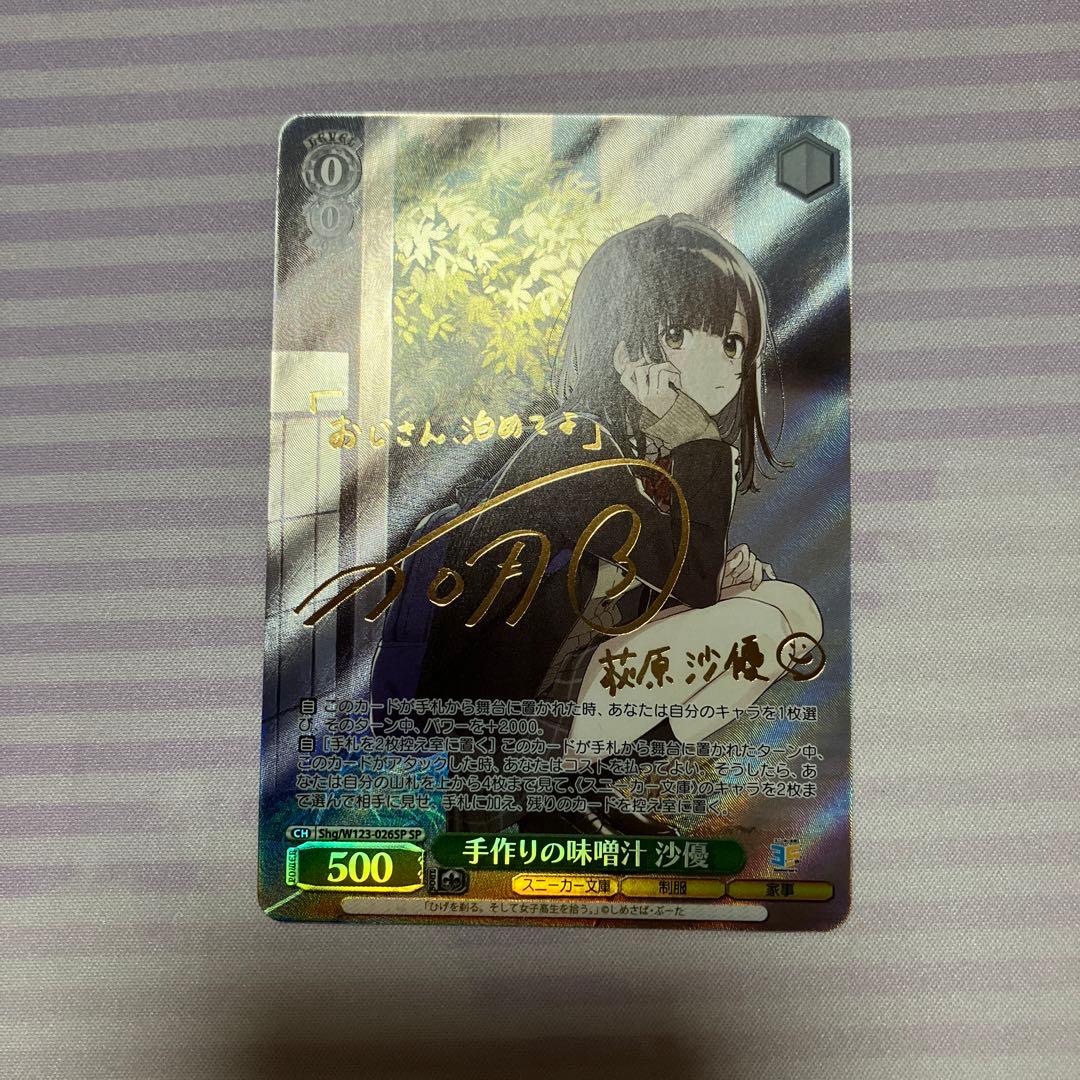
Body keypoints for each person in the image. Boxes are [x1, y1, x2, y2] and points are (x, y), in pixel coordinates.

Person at [411, 213, 821, 832]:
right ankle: (542, 798)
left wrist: (713, 580)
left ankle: (583, 793)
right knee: (759, 625)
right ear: (627, 345)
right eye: (680, 333)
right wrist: (697, 439)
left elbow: (656, 582)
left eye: (733, 344)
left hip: (569, 676)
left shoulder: (647, 452)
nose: (720, 365)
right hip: (509, 724)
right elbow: (683, 580)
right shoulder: (580, 443)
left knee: (793, 612)